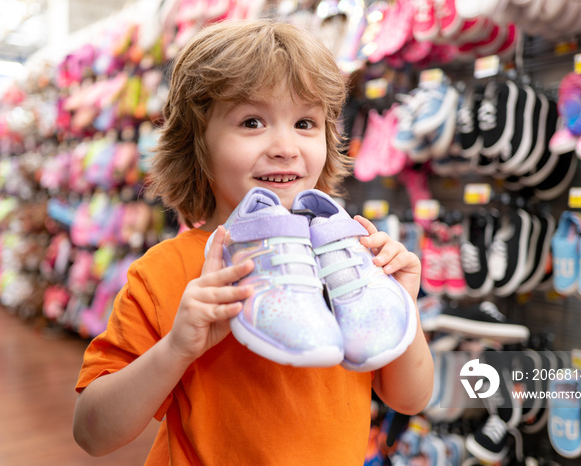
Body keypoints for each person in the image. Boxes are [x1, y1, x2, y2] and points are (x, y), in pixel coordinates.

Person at [73, 19, 433, 465]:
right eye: (252, 121)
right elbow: (92, 432)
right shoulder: (169, 273)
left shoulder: (351, 258)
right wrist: (176, 350)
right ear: (197, 145)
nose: (285, 146)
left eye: (305, 122)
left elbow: (410, 398)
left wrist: (403, 309)